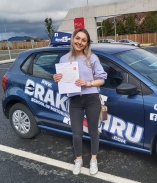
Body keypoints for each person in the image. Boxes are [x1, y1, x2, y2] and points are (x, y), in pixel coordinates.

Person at [53, 28, 107, 175]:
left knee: (93, 131)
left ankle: (93, 160)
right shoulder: (64, 59)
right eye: (78, 38)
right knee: (76, 133)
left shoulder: (92, 58)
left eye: (84, 40)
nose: (80, 42)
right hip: (75, 100)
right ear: (73, 39)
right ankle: (78, 159)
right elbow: (63, 81)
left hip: (91, 99)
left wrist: (88, 83)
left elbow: (102, 79)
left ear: (87, 43)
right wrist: (57, 78)